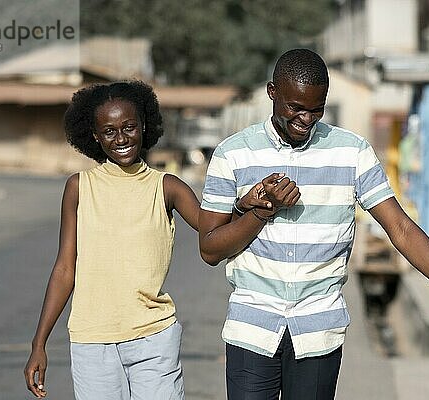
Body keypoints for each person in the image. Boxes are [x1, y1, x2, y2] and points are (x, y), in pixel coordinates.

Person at [198, 49, 429, 400]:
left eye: (316, 109)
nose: (305, 119)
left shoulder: (351, 153)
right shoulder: (233, 154)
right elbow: (210, 248)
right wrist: (261, 212)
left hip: (319, 331)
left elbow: (401, 229)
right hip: (251, 327)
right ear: (272, 92)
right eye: (295, 108)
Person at [23, 81, 266, 400]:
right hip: (92, 344)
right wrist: (38, 344)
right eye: (109, 131)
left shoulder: (168, 187)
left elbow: (214, 233)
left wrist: (252, 208)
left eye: (129, 127)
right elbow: (65, 269)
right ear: (95, 136)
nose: (121, 138)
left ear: (144, 126)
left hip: (153, 339)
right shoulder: (79, 188)